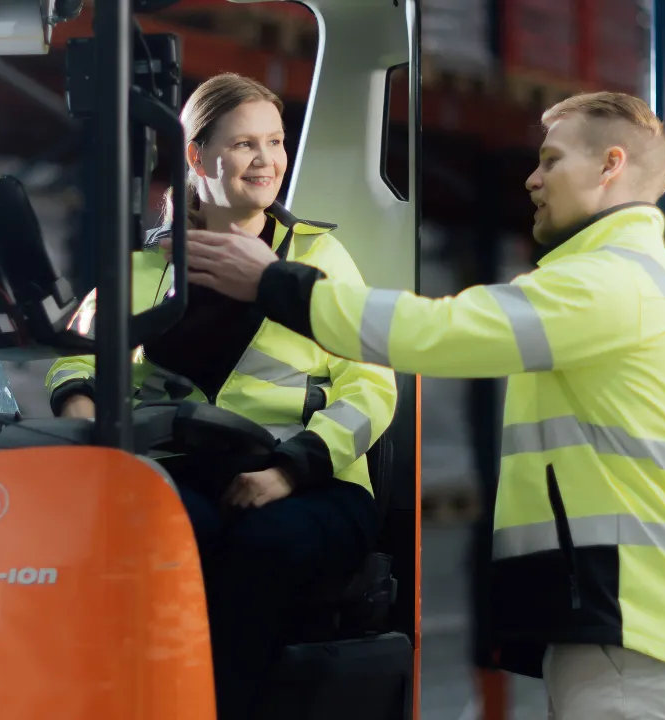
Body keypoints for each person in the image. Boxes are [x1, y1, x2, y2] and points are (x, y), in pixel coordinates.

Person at [172, 91, 665, 720]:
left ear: (610, 166)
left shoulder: (610, 284)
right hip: (629, 612)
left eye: (551, 160)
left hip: (625, 613)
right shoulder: (648, 283)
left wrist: (278, 284)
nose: (532, 178)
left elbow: (440, 331)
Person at [45, 73, 398, 720]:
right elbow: (77, 357)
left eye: (275, 141)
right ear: (196, 155)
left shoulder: (317, 258)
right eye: (243, 144)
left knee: (264, 545)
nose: (266, 160)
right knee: (160, 533)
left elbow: (371, 384)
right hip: (186, 474)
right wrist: (87, 425)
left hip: (311, 482)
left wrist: (289, 471)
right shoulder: (144, 269)